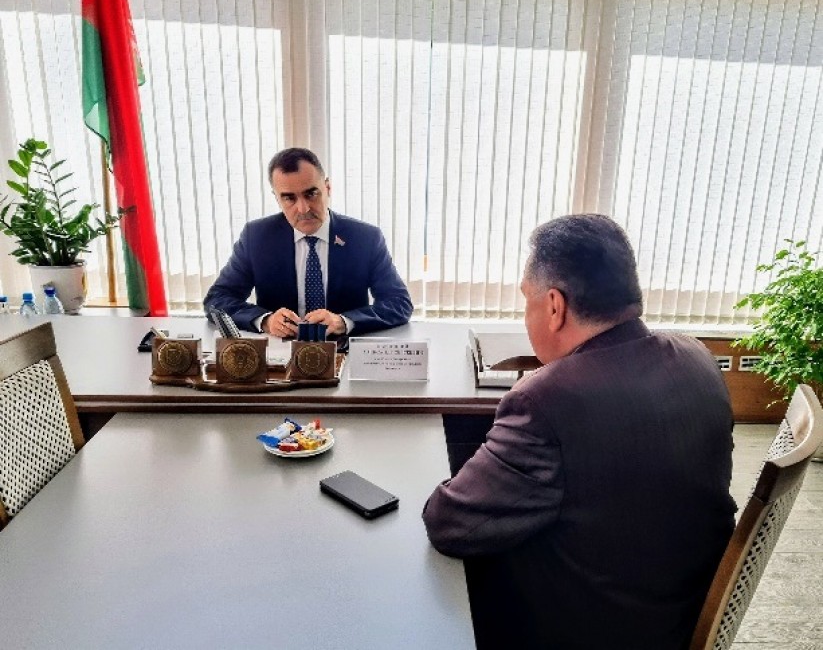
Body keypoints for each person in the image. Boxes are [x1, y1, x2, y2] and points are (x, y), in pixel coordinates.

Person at [422, 214, 736, 649]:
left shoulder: (547, 399)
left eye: (527, 300)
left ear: (555, 306)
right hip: (673, 611)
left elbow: (449, 524)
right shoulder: (696, 358)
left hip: (581, 626)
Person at [203, 148, 413, 336]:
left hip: (343, 351)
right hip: (280, 355)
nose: (303, 209)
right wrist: (265, 320)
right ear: (277, 198)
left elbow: (399, 303)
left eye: (311, 194)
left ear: (327, 188)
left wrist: (344, 322)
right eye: (289, 198)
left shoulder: (365, 238)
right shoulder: (257, 237)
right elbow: (217, 300)